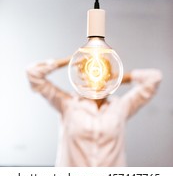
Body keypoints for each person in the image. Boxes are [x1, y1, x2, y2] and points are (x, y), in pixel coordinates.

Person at [26, 56, 162, 167]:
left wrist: (115, 78)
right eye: (92, 71)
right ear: (83, 77)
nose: (96, 75)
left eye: (101, 71)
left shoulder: (120, 107)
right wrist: (73, 59)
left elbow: (154, 77)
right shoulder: (68, 103)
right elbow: (33, 73)